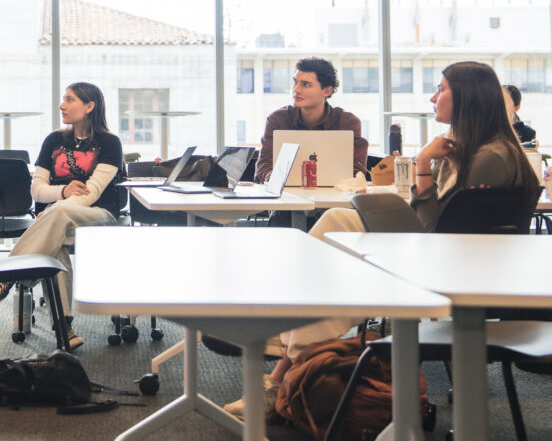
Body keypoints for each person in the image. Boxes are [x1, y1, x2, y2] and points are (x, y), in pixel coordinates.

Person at [223, 60, 541, 422]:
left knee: (335, 270)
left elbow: (437, 230)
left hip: (451, 269)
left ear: (467, 98)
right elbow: (440, 224)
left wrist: (421, 164)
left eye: (441, 89)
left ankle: (278, 359)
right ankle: (284, 353)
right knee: (336, 221)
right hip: (445, 255)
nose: (433, 97)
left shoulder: (487, 158)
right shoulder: (468, 148)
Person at [0, 81, 124, 351]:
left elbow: (91, 194)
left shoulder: (110, 143)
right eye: (63, 99)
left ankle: (7, 276)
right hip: (57, 220)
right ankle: (64, 329)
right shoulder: (53, 140)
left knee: (55, 216)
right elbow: (37, 190)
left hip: (98, 217)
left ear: (90, 106)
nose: (62, 105)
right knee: (53, 245)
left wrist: (56, 205)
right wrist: (64, 191)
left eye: (70, 100)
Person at [256, 57, 369, 183]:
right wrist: (274, 179)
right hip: (288, 198)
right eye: (295, 82)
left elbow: (357, 171)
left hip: (333, 197)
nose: (296, 90)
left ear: (327, 91)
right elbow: (263, 166)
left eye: (306, 84)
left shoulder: (347, 123)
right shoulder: (277, 120)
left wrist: (354, 178)